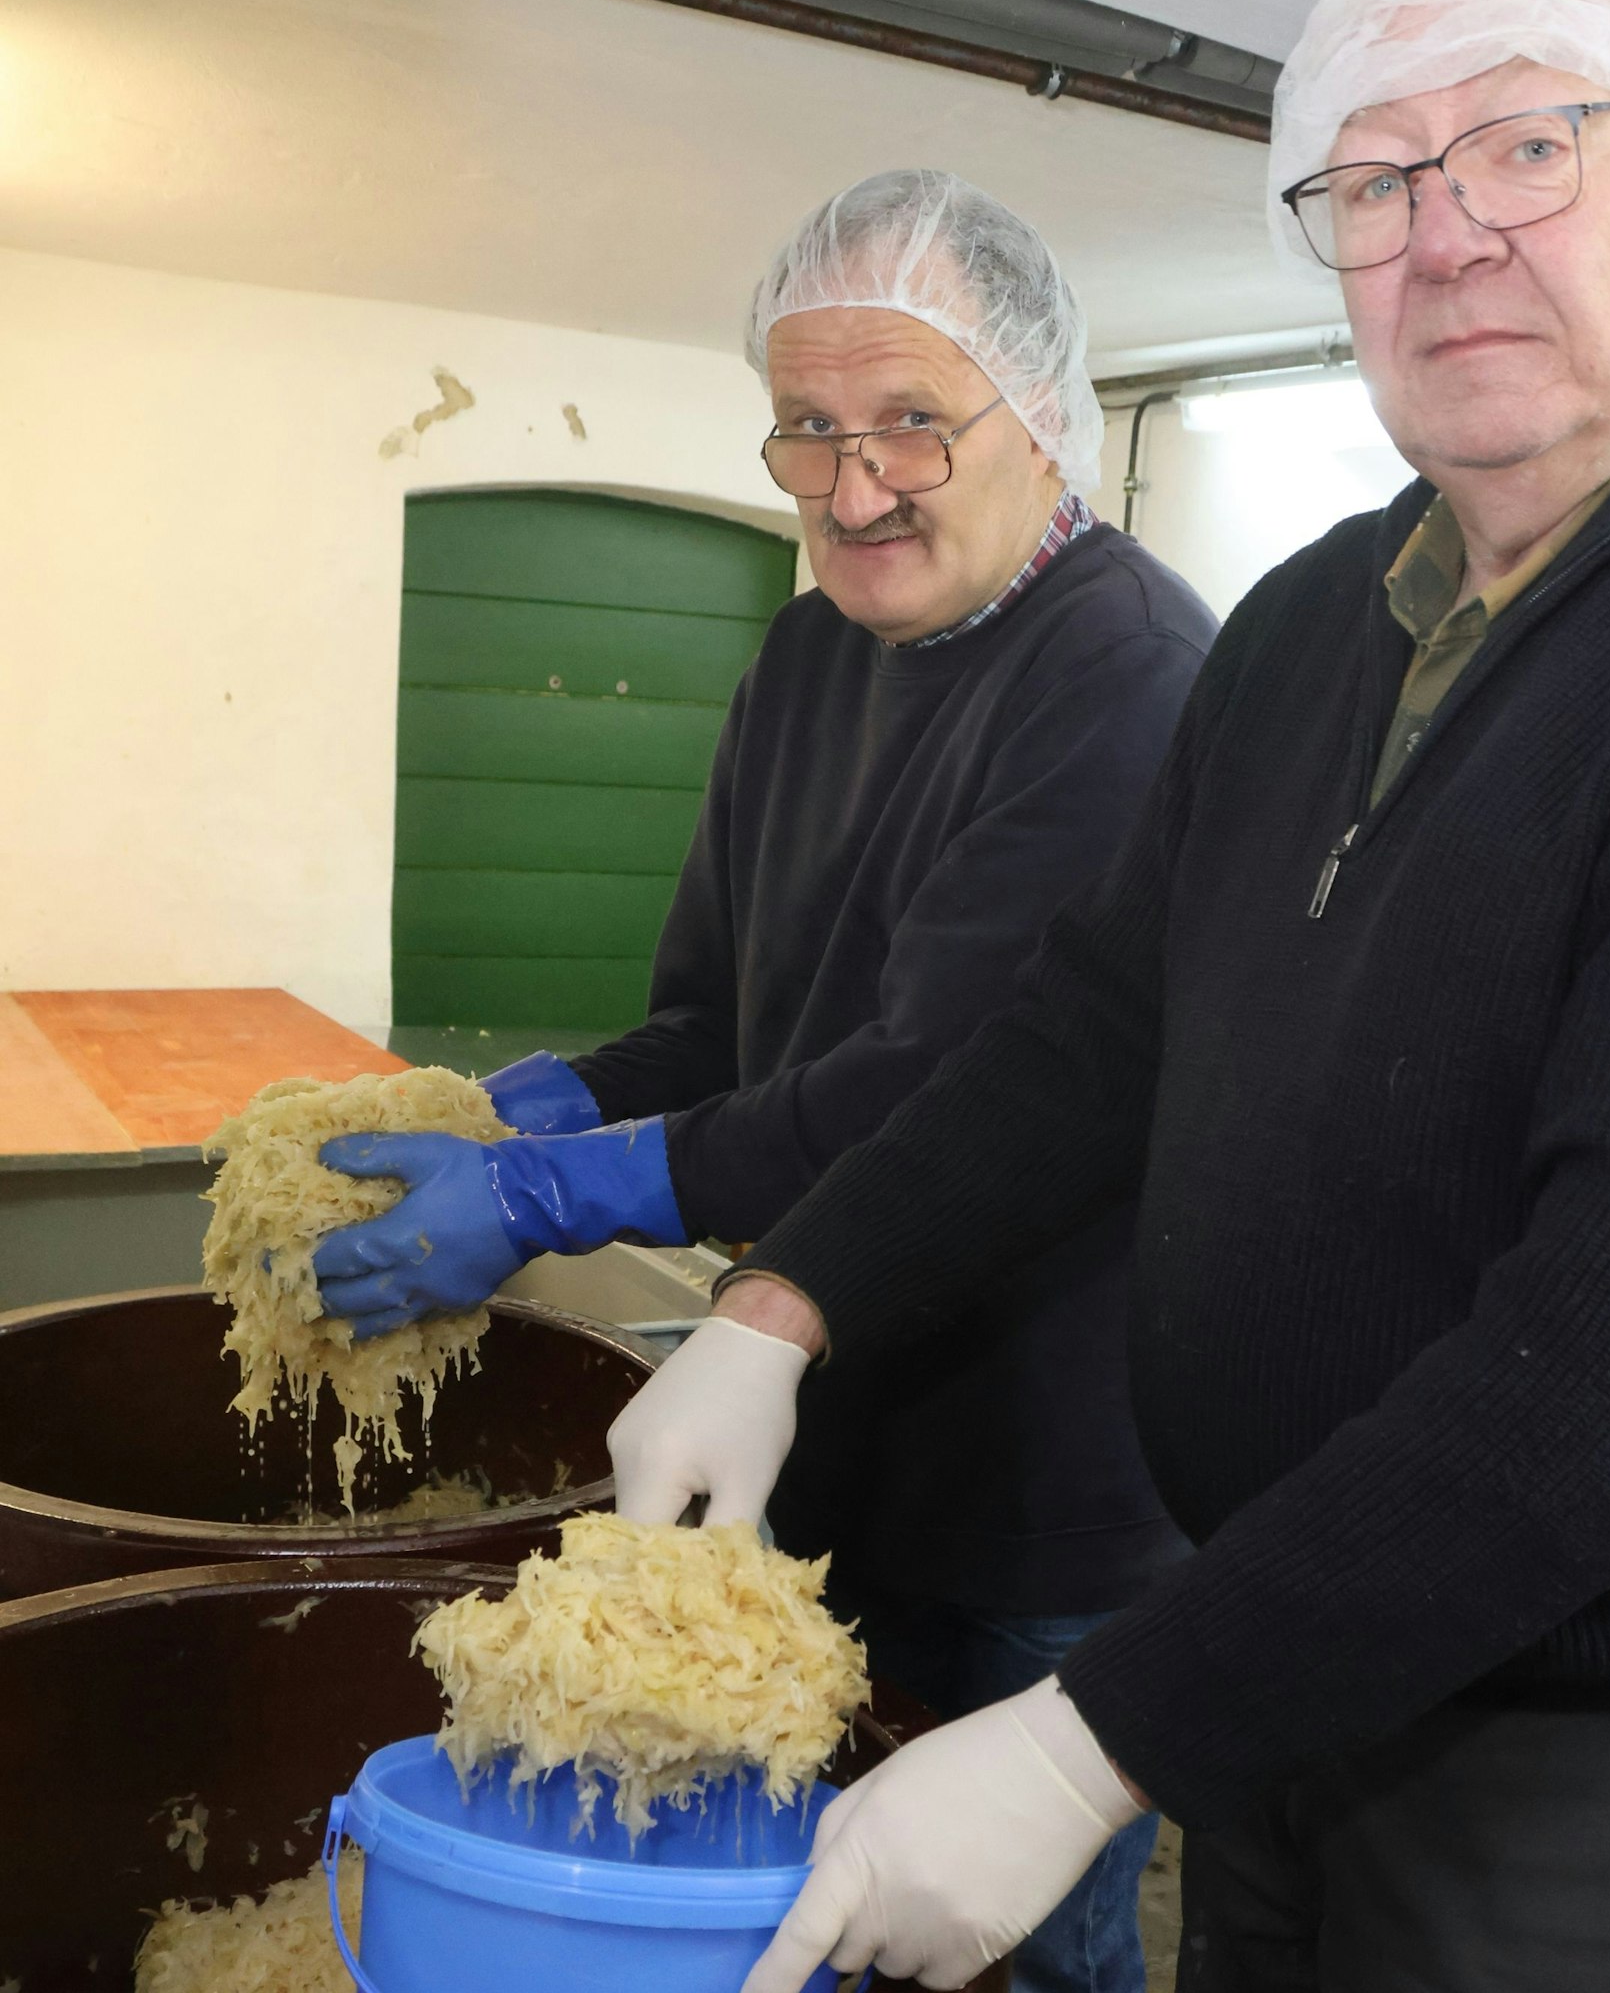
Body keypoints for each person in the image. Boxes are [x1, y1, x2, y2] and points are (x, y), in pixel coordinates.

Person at [608, 0, 1610, 1991]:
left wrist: (1092, 1742)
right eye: (1370, 185)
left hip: (1591, 1750)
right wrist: (784, 1299)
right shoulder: (1313, 623)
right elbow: (1087, 1040)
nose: (1441, 237)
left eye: (1527, 149)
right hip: (1279, 1658)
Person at [308, 170, 1215, 1993]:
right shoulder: (808, 651)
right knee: (787, 1902)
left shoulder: (1125, 679)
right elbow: (726, 1023)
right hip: (802, 1408)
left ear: (1038, 419)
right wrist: (522, 1114)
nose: (851, 485)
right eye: (806, 429)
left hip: (1035, 1466)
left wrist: (565, 1203)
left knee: (1004, 1938)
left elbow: (934, 1086)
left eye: (908, 425)